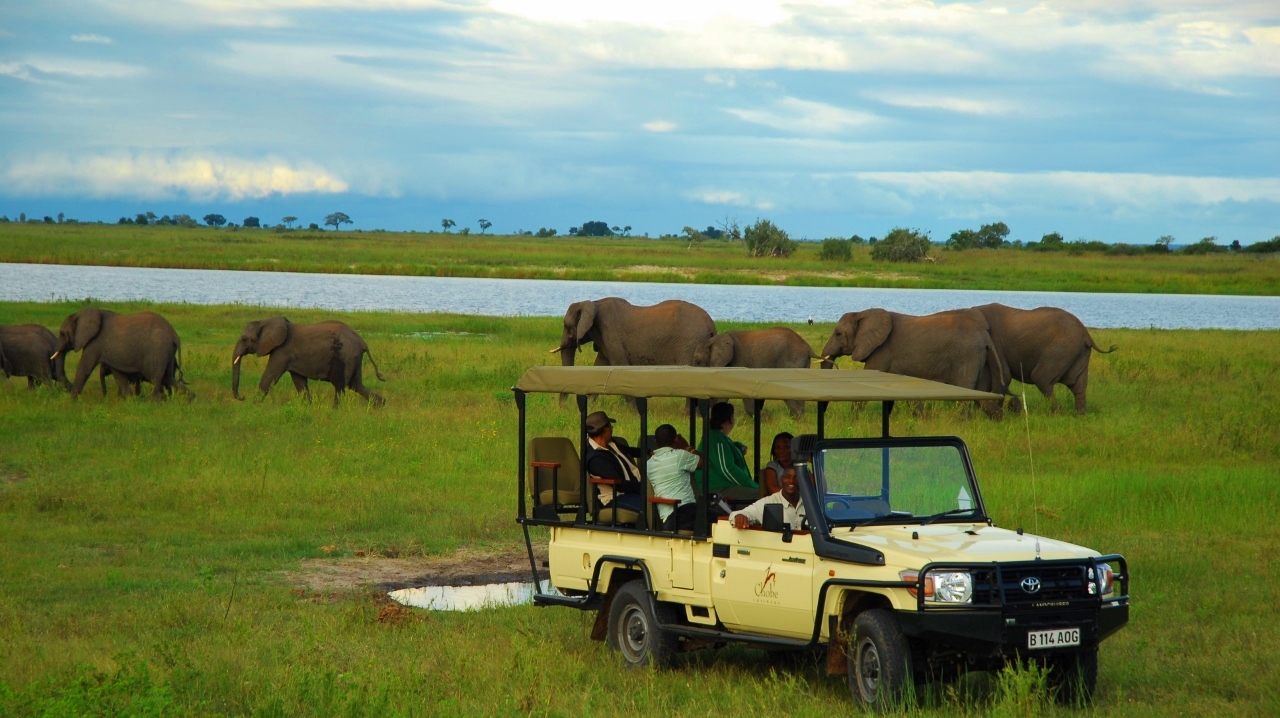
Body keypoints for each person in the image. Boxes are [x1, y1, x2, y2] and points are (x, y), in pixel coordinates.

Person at [647, 423, 714, 531]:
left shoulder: (649, 463)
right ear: (675, 439)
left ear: (656, 441)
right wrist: (685, 446)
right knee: (724, 519)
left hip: (667, 519)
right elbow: (705, 463)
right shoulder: (679, 455)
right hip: (684, 512)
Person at [584, 410, 645, 515]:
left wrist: (649, 452)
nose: (612, 430)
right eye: (610, 427)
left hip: (632, 490)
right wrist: (645, 487)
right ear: (605, 430)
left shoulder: (611, 443)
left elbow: (628, 450)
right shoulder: (596, 459)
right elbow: (620, 484)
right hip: (616, 497)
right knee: (650, 507)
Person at [696, 401, 758, 500]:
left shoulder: (718, 437)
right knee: (762, 498)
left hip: (723, 486)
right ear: (731, 419)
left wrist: (738, 447)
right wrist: (751, 485)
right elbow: (727, 468)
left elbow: (727, 450)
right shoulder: (716, 439)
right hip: (717, 489)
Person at [730, 466, 806, 530]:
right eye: (787, 477)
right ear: (781, 479)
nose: (791, 481)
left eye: (796, 478)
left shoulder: (811, 503)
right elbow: (742, 513)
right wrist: (740, 516)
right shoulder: (769, 502)